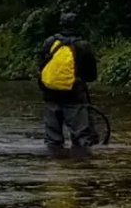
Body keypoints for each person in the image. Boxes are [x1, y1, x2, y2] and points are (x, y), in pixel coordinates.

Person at [37, 11, 99, 153]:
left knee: (52, 140)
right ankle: (81, 169)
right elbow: (91, 75)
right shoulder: (83, 45)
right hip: (74, 96)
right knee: (82, 138)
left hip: (50, 94)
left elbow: (42, 66)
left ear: (61, 24)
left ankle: (54, 167)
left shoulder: (50, 42)